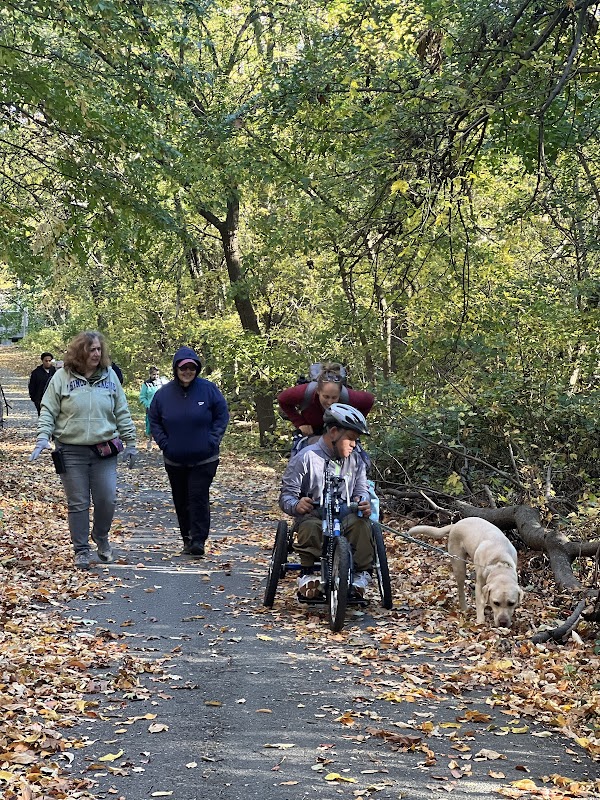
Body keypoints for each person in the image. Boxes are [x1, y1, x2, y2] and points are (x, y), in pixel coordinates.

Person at [28, 331, 138, 570]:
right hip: (70, 450)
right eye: (91, 350)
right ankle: (81, 550)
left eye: (99, 349)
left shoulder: (110, 375)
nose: (96, 354)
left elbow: (121, 410)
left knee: (107, 498)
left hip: (104, 450)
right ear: (80, 352)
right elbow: (48, 409)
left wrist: (131, 442)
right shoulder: (61, 377)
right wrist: (43, 437)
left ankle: (101, 536)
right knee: (78, 502)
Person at [279, 403, 374, 598]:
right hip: (315, 515)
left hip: (345, 515)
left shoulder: (355, 460)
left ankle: (359, 575)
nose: (354, 445)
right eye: (350, 438)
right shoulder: (305, 458)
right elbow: (286, 496)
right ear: (333, 432)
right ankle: (308, 575)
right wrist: (297, 505)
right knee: (309, 526)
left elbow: (361, 490)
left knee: (362, 525)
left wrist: (363, 501)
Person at [149, 346, 229, 558]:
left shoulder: (208, 390)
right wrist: (164, 443)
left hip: (204, 457)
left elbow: (222, 415)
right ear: (176, 369)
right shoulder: (163, 394)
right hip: (174, 458)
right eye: (183, 368)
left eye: (192, 368)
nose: (187, 372)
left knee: (197, 496)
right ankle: (187, 537)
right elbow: (154, 420)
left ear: (197, 369)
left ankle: (198, 540)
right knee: (181, 499)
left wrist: (212, 439)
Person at [278, 363, 375, 438]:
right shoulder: (305, 392)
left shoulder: (348, 396)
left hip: (338, 434)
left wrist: (353, 425)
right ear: (318, 391)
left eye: (334, 397)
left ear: (340, 393)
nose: (330, 402)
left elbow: (369, 400)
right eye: (326, 397)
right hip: (311, 434)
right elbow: (282, 399)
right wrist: (300, 423)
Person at [139, 366, 168, 450]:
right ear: (150, 374)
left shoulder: (162, 383)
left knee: (163, 424)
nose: (156, 376)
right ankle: (150, 441)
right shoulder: (146, 384)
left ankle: (162, 442)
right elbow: (142, 397)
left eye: (157, 374)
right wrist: (148, 405)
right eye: (154, 374)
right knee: (150, 426)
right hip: (150, 409)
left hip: (162, 408)